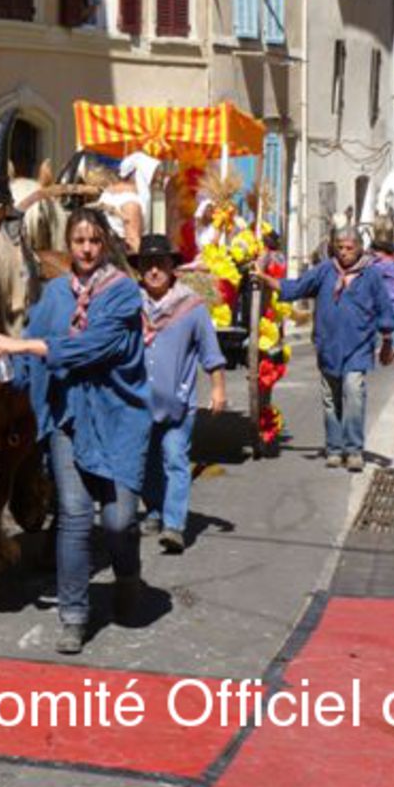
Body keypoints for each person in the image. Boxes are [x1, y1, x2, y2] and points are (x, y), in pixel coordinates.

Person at [0, 207, 151, 654]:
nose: (87, 249)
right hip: (68, 419)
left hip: (118, 420)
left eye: (94, 241)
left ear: (105, 244)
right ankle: (74, 616)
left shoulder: (124, 293)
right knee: (74, 516)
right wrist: (5, 373)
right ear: (69, 245)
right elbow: (30, 355)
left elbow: (90, 347)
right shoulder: (55, 294)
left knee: (117, 521)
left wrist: (23, 343)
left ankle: (128, 574)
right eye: (79, 241)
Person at [254, 226, 394, 472]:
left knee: (354, 392)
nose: (344, 252)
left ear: (360, 249)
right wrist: (265, 278)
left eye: (349, 248)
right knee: (331, 399)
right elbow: (296, 287)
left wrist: (387, 342)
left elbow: (384, 309)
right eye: (340, 247)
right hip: (328, 345)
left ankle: (353, 450)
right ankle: (334, 448)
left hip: (359, 346)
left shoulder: (371, 275)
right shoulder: (325, 270)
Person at [133, 235, 226, 553]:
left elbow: (210, 352)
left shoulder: (191, 308)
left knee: (175, 459)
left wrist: (218, 388)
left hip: (178, 404)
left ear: (172, 267)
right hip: (140, 403)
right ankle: (154, 511)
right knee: (146, 463)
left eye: (160, 264)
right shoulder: (130, 305)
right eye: (147, 264)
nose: (154, 270)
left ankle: (174, 526)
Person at [95, 152, 160, 254]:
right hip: (119, 256)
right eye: (153, 174)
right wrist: (146, 260)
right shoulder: (131, 201)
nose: (157, 179)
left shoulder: (110, 192)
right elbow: (132, 240)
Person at [370, 241, 394, 353]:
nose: (374, 253)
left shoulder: (387, 263)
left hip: (393, 297)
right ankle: (381, 345)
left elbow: (372, 270)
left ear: (383, 252)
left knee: (393, 321)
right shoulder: (379, 262)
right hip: (383, 297)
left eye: (376, 251)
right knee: (378, 321)